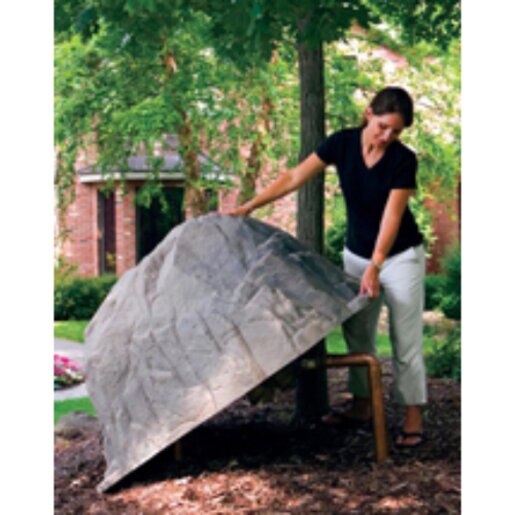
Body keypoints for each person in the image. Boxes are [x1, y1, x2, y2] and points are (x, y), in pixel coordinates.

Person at [224, 86, 427, 448]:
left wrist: (377, 264)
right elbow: (294, 177)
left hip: (400, 257)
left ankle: (413, 416)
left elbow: (392, 216)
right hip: (357, 255)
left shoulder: (403, 160)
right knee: (358, 334)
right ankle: (363, 405)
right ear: (368, 114)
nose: (387, 136)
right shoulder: (342, 144)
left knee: (405, 339)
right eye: (382, 126)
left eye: (396, 131)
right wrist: (249, 206)